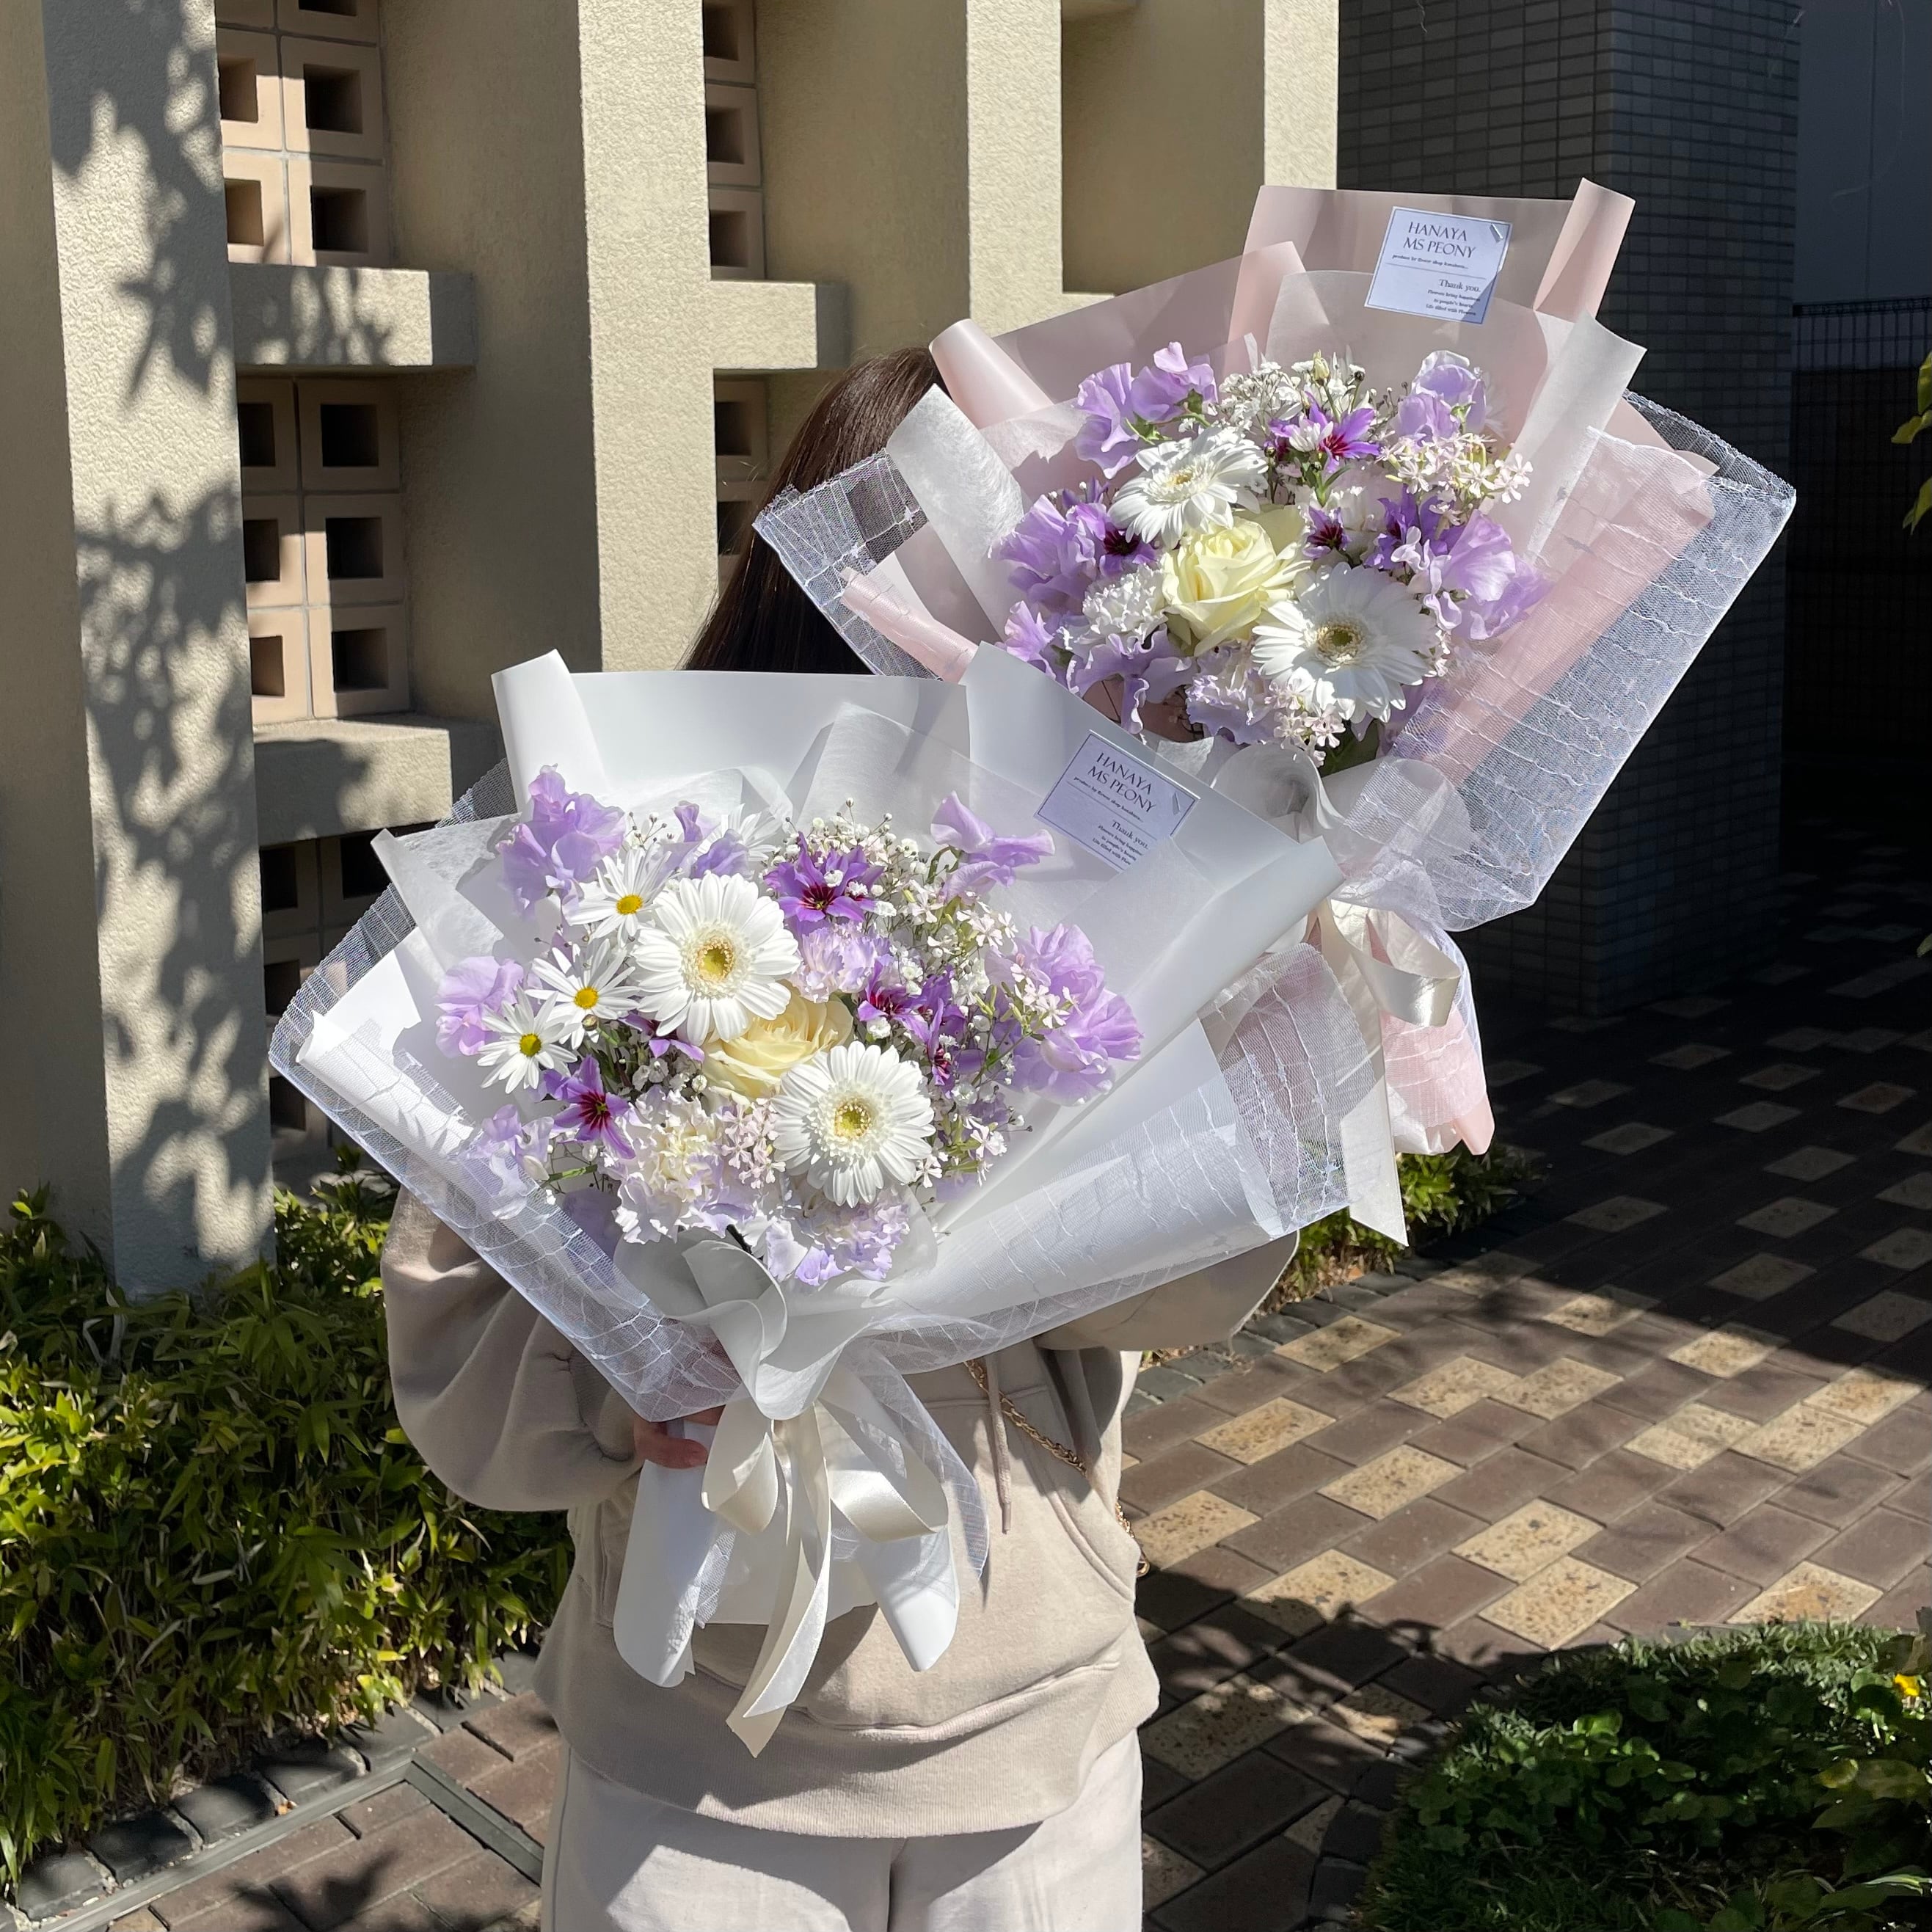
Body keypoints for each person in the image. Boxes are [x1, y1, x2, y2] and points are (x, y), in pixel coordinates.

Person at [382, 351, 1285, 1932]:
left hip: (1037, 1729)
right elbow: (452, 1343)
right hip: (696, 1773)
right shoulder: (623, 873)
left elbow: (1195, 1283)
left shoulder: (1093, 894)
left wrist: (1262, 1010)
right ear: (822, 576)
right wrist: (645, 1365)